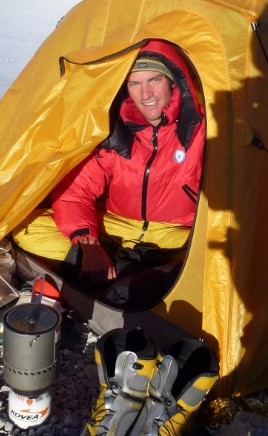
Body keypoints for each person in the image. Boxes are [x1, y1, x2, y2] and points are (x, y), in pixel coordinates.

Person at [12, 39, 204, 305]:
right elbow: (77, 190)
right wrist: (89, 245)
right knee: (23, 225)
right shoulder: (116, 130)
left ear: (174, 82)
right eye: (134, 83)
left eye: (154, 80)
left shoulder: (201, 130)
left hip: (175, 234)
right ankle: (126, 270)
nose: (145, 93)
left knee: (214, 256)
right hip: (116, 225)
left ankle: (113, 271)